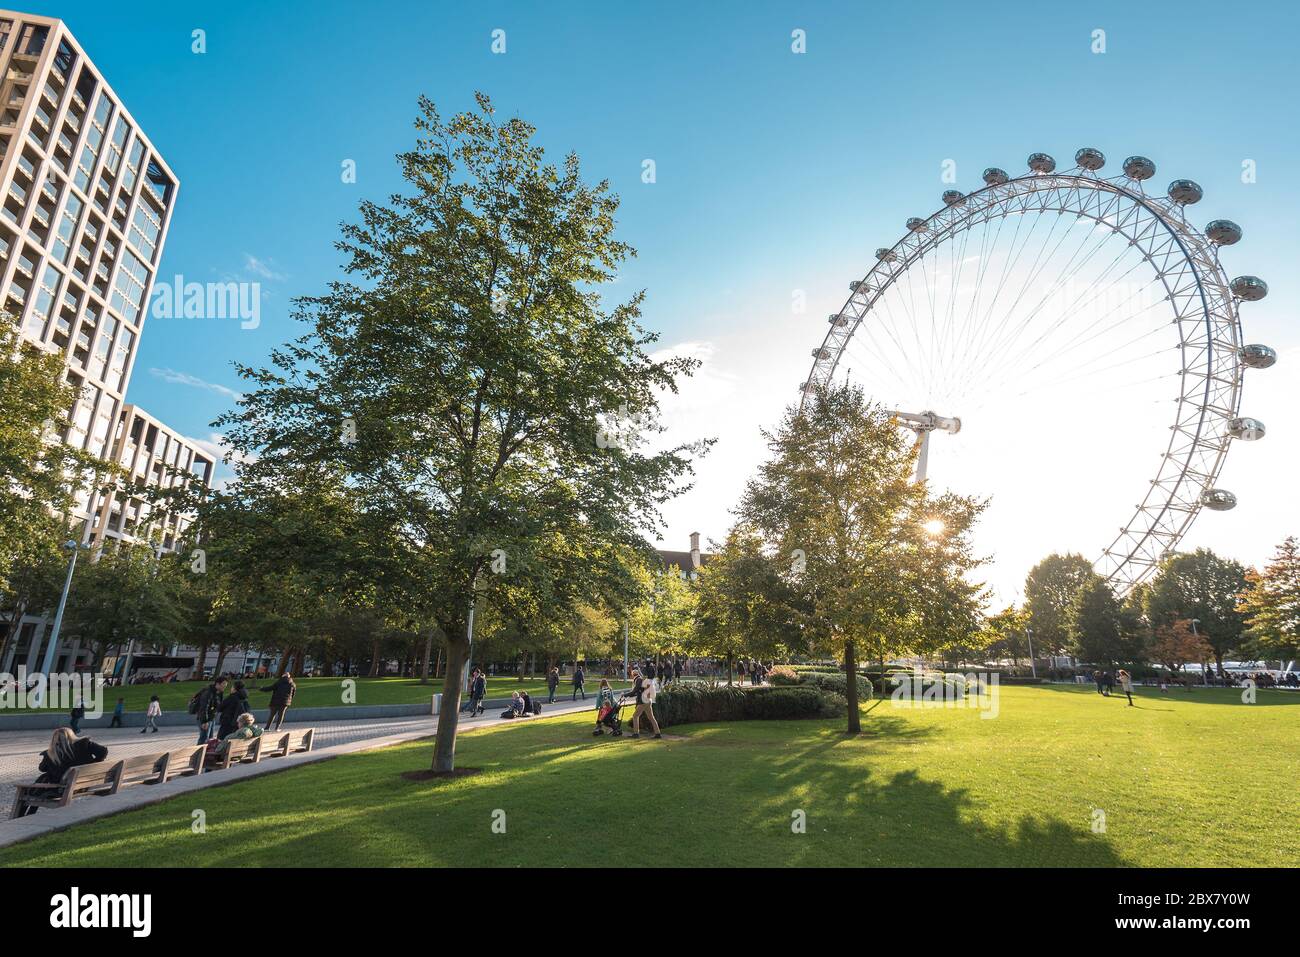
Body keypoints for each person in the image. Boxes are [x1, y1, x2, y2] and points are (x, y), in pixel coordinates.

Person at [16, 728, 109, 816]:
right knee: (41, 785)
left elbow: (42, 768)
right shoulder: (85, 744)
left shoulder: (52, 753)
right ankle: (29, 814)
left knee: (31, 790)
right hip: (82, 785)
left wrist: (49, 755)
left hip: (61, 790)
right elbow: (103, 751)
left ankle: (20, 817)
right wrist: (93, 764)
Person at [628, 668, 662, 740]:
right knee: (651, 717)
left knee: (635, 716)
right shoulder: (641, 680)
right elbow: (638, 691)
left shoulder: (638, 680)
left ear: (633, 675)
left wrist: (626, 694)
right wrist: (629, 694)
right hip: (648, 700)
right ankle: (657, 733)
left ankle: (636, 733)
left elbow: (636, 690)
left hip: (643, 701)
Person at [195, 677, 228, 745]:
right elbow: (204, 707)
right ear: (217, 684)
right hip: (205, 718)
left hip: (212, 718)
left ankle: (206, 754)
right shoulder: (208, 692)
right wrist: (205, 721)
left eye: (226, 684)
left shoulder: (219, 692)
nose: (225, 686)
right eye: (223, 684)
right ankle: (198, 754)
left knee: (210, 739)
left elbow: (219, 705)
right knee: (204, 739)